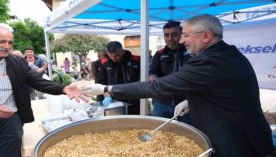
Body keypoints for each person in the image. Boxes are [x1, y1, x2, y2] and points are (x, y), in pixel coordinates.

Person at [82, 14, 275, 156]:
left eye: (186, 35)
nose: (182, 41)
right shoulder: (225, 54)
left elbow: (159, 87)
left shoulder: (210, 60)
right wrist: (191, 101)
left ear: (206, 36)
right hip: (241, 132)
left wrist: (108, 89)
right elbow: (224, 89)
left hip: (237, 141)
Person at [0, 23, 86, 157]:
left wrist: (63, 88)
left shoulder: (17, 62)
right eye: (1, 41)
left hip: (10, 122)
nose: (7, 46)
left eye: (10, 42)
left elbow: (36, 80)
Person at [149, 21, 191, 124]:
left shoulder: (191, 52)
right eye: (166, 35)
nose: (170, 39)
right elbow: (153, 72)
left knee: (186, 134)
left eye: (174, 35)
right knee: (157, 132)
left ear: (182, 34)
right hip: (162, 102)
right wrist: (153, 78)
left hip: (185, 102)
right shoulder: (159, 54)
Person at [97, 41, 141, 114]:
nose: (114, 58)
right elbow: (100, 82)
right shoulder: (105, 63)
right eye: (111, 56)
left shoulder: (136, 60)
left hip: (133, 98)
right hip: (113, 99)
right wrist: (104, 97)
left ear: (122, 51)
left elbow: (142, 79)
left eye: (117, 56)